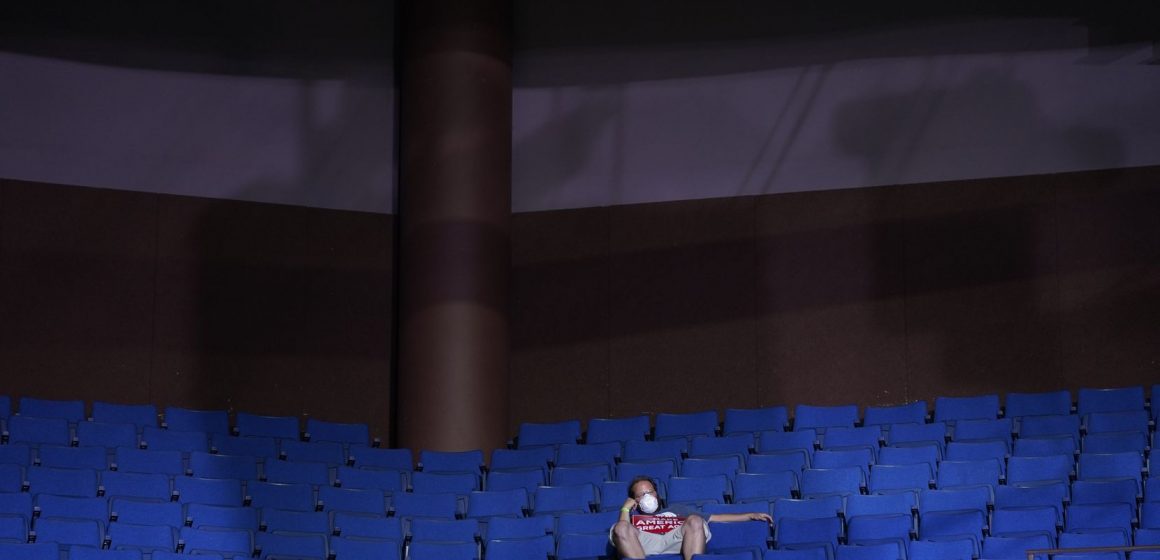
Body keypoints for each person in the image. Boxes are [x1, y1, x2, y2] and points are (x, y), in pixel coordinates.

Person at [610, 475, 773, 560]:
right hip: (643, 543)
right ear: (634, 499)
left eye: (650, 492)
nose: (648, 496)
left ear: (657, 493)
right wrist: (626, 508)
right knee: (620, 527)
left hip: (674, 539)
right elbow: (622, 533)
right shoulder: (631, 517)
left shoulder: (676, 509)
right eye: (641, 494)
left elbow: (715, 517)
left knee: (695, 519)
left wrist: (750, 515)